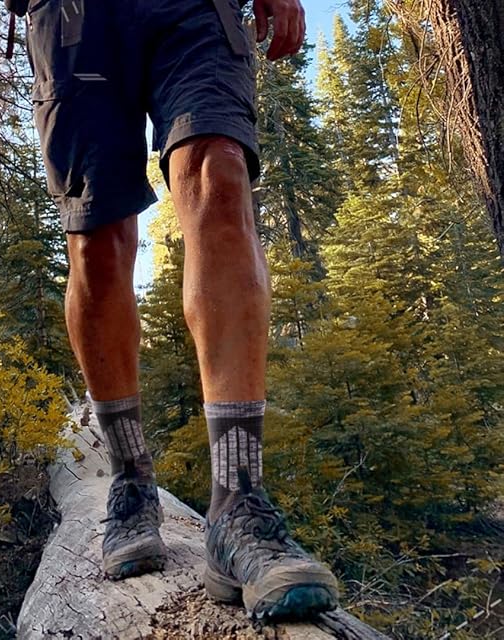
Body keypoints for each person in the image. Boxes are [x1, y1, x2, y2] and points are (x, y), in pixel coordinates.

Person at [22, 0, 339, 621]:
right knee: (97, 239)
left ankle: (238, 502)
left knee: (220, 174)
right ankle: (131, 479)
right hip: (75, 16)